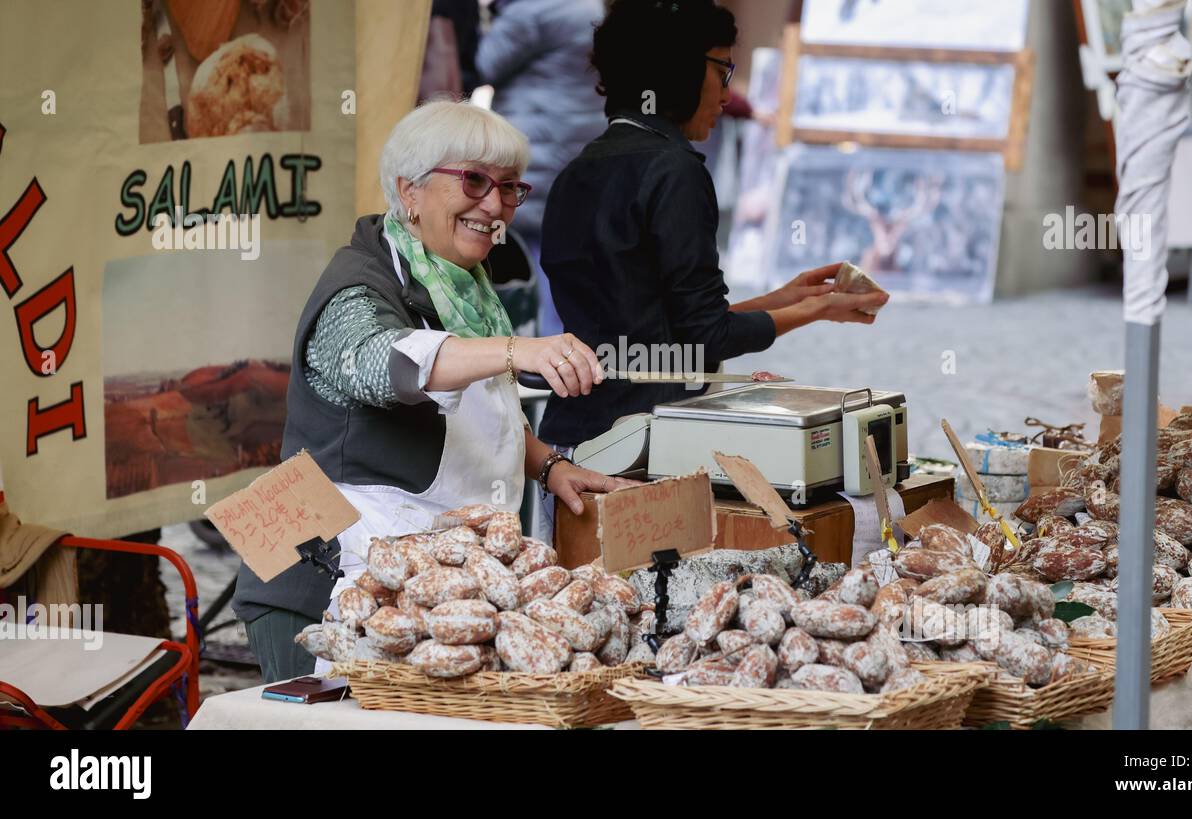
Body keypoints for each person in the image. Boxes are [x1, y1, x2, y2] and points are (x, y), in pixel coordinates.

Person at [232, 100, 631, 683]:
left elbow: (481, 411)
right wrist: (520, 350)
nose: (494, 206)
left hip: (416, 581)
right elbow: (382, 364)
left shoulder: (462, 286)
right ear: (409, 191)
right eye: (473, 180)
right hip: (319, 576)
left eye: (510, 188)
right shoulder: (356, 281)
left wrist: (548, 467)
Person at [538, 0, 890, 454]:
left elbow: (664, 327)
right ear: (678, 69)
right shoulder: (673, 169)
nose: (726, 94)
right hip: (637, 447)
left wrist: (786, 299)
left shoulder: (578, 171)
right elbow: (705, 338)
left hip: (570, 438)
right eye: (722, 70)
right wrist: (819, 309)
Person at [476, 0, 609, 336]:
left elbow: (482, 63)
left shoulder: (532, 11)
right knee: (568, 252)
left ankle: (544, 349)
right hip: (580, 144)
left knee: (533, 256)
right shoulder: (590, 7)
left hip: (537, 148)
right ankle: (570, 341)